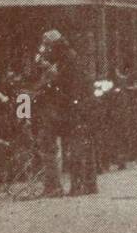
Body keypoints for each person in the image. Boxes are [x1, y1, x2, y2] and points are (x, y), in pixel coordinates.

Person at [33, 30, 96, 196]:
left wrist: (49, 73)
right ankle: (82, 185)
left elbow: (64, 84)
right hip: (70, 108)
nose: (44, 49)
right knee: (76, 147)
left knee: (67, 147)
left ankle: (60, 186)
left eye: (47, 45)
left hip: (68, 109)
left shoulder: (66, 60)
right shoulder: (68, 58)